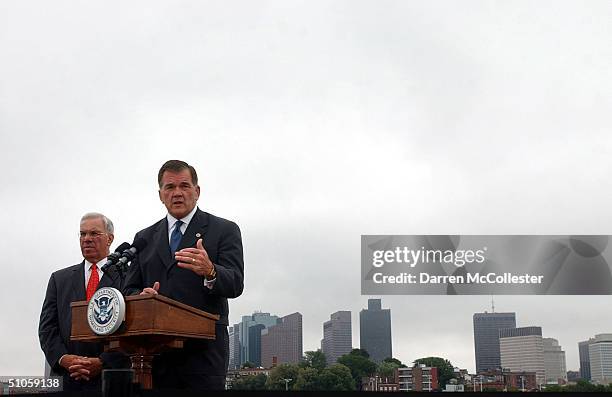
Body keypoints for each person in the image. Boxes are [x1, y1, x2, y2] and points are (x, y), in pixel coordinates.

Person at [123, 160, 244, 390]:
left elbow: (236, 283)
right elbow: (129, 290)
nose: (177, 193)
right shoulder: (144, 238)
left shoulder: (224, 229)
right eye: (170, 187)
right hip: (154, 358)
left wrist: (211, 270)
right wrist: (142, 296)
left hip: (203, 355)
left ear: (197, 191)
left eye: (184, 186)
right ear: (160, 195)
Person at [39, 213, 129, 391]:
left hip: (111, 378)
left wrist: (103, 361)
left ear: (110, 238)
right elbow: (47, 328)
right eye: (82, 234)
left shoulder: (127, 276)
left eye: (94, 234)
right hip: (66, 378)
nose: (87, 239)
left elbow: (134, 330)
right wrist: (64, 359)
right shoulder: (59, 279)